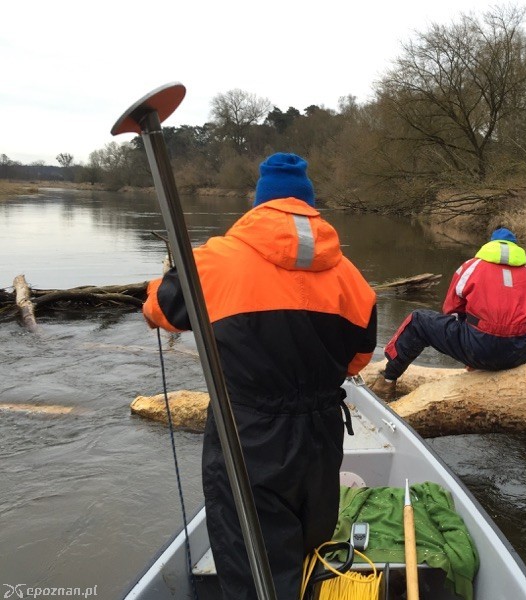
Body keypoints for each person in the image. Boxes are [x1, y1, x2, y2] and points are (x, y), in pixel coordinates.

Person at [142, 152, 377, 600]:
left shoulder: (212, 262)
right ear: (310, 206)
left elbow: (157, 311)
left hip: (246, 436)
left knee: (254, 567)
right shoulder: (354, 279)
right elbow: (358, 359)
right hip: (322, 437)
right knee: (311, 544)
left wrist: (171, 277)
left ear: (257, 205)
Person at [371, 227, 526, 399]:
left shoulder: (471, 267)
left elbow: (451, 309)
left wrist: (470, 346)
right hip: (518, 353)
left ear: (489, 245)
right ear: (516, 248)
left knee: (418, 320)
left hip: (478, 349)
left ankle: (387, 381)